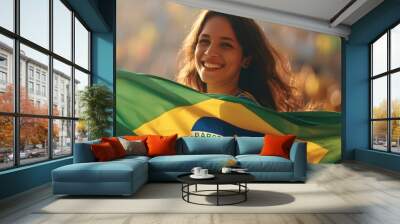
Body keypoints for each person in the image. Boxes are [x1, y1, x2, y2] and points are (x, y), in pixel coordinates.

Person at [176, 10, 298, 111]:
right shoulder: (189, 107)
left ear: (246, 59)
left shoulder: (248, 113)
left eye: (225, 45)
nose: (209, 52)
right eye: (204, 41)